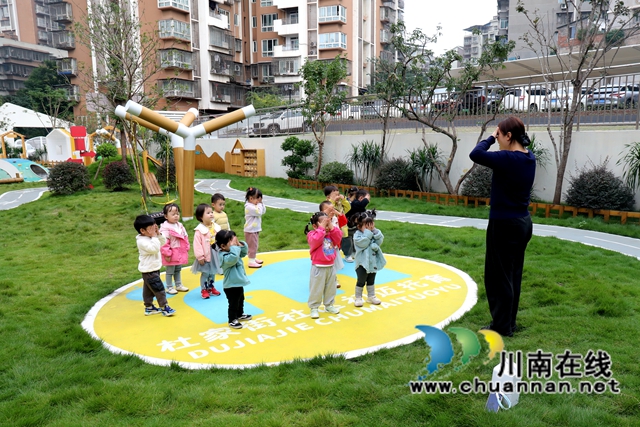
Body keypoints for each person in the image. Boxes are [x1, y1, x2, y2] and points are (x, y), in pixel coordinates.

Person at [469, 116, 536, 338]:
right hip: (523, 222)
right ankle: (509, 322)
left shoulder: (508, 158)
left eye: (499, 136)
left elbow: (476, 154)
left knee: (499, 277)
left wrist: (488, 137)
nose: (497, 140)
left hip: (504, 224)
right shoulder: (529, 157)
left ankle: (501, 326)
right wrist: (496, 136)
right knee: (513, 274)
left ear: (508, 136)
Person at [133, 215, 176, 317]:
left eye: (154, 225)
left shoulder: (151, 237)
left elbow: (162, 242)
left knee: (148, 290)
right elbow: (154, 249)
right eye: (151, 227)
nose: (154, 228)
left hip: (152, 268)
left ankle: (149, 307)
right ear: (142, 231)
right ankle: (164, 307)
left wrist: (158, 234)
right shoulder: (142, 241)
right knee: (159, 289)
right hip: (149, 270)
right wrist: (154, 236)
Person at [305, 211, 343, 319]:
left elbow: (339, 237)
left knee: (331, 288)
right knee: (316, 288)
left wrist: (331, 226)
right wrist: (321, 229)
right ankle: (314, 307)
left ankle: (329, 305)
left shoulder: (331, 235)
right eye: (323, 223)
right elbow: (316, 240)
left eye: (327, 223)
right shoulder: (312, 235)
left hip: (331, 266)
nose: (325, 227)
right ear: (314, 226)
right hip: (318, 267)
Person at [216, 229, 252, 329]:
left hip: (238, 283)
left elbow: (243, 253)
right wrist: (234, 248)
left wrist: (240, 244)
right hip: (231, 286)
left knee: (241, 299)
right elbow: (234, 258)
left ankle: (240, 314)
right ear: (223, 246)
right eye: (231, 243)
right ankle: (232, 319)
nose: (234, 245)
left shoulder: (233, 252)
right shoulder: (224, 256)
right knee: (233, 303)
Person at [352, 211, 386, 307]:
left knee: (371, 279)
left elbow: (380, 240)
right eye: (366, 227)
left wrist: (374, 231)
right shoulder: (357, 235)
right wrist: (368, 233)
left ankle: (371, 296)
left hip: (372, 262)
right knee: (361, 280)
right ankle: (358, 297)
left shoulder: (373, 233)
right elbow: (363, 243)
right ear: (359, 226)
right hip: (362, 263)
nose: (369, 229)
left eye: (370, 226)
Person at [191, 204, 222, 299]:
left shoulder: (216, 227)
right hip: (205, 255)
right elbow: (197, 244)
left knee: (212, 272)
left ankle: (211, 287)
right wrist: (200, 256)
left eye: (211, 212)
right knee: (205, 272)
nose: (211, 214)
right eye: (208, 213)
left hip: (215, 253)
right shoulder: (199, 230)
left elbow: (220, 239)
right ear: (201, 217)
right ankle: (203, 289)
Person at [159, 203, 190, 294]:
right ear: (165, 216)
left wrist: (186, 247)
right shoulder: (165, 228)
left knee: (178, 269)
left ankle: (179, 284)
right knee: (170, 271)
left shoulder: (180, 226)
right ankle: (169, 287)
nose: (176, 216)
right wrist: (167, 254)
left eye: (177, 214)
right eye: (173, 214)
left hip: (179, 252)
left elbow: (185, 236)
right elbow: (164, 242)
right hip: (171, 253)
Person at [319, 200, 345, 288]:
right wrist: (325, 216)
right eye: (327, 209)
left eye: (332, 209)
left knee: (333, 264)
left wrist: (337, 212)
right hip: (324, 246)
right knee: (324, 265)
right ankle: (323, 280)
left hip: (334, 245)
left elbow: (344, 221)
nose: (331, 211)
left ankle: (334, 279)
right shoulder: (320, 220)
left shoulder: (335, 218)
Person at [324, 185, 351, 258]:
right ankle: (331, 255)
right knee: (333, 242)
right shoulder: (327, 204)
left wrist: (344, 199)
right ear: (328, 197)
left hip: (342, 227)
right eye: (335, 195)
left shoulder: (340, 204)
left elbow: (348, 207)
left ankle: (347, 255)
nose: (338, 196)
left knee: (346, 241)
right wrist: (332, 201)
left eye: (338, 194)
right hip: (332, 227)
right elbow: (329, 208)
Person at [344, 188, 371, 262]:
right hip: (348, 226)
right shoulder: (355, 203)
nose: (368, 201)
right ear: (361, 198)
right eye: (368, 199)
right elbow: (362, 204)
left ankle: (355, 252)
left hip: (355, 226)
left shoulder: (359, 205)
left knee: (355, 239)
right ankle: (348, 255)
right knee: (348, 240)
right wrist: (366, 199)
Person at [244, 187, 266, 268]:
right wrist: (259, 204)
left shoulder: (255, 206)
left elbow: (263, 211)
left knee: (255, 245)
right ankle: (251, 261)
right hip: (250, 230)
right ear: (250, 198)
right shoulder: (249, 207)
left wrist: (261, 203)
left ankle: (253, 258)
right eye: (257, 199)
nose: (258, 201)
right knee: (252, 246)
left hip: (255, 229)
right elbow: (259, 212)